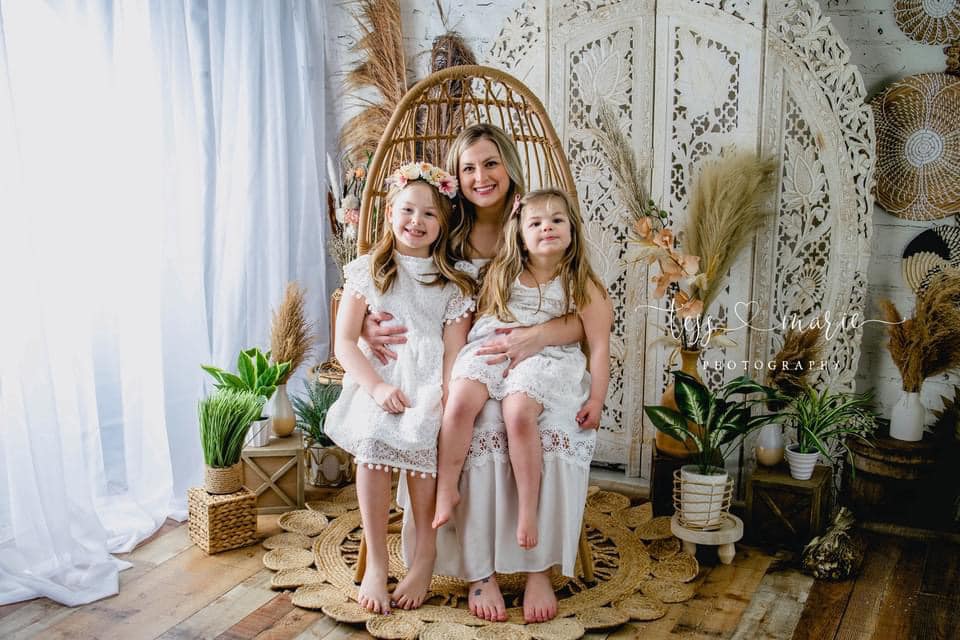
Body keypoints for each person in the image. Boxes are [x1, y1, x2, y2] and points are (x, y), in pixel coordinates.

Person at [324, 161, 475, 614]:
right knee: (372, 442)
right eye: (407, 210)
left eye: (429, 214)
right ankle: (376, 562)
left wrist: (448, 393)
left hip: (427, 383)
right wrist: (373, 388)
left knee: (422, 443)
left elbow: (454, 350)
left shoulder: (453, 281)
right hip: (381, 382)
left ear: (443, 223)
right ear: (389, 213)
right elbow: (345, 343)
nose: (416, 221)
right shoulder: (368, 271)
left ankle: (425, 554)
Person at [434, 189, 611, 557]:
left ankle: (527, 510)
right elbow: (479, 317)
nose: (547, 227)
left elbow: (599, 345)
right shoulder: (506, 270)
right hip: (494, 343)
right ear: (520, 235)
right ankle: (447, 487)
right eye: (536, 222)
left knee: (518, 413)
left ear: (572, 230)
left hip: (547, 359)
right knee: (461, 399)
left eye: (557, 220)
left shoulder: (582, 282)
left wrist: (596, 398)